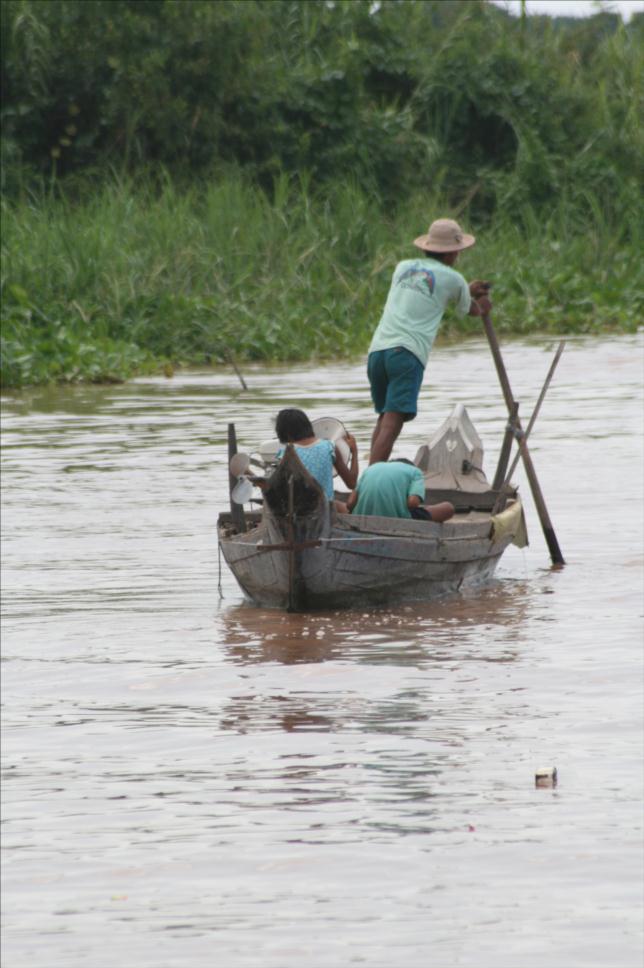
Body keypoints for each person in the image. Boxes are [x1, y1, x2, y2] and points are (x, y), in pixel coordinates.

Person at [367, 218, 492, 465]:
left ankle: (368, 482)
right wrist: (483, 306)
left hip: (378, 352)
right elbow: (472, 310)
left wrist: (466, 291)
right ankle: (371, 482)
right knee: (394, 421)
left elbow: (431, 290)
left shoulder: (403, 267)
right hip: (407, 353)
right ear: (454, 252)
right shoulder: (454, 279)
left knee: (384, 418)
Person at [274, 408, 358, 506]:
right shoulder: (329, 447)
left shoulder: (285, 454)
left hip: (299, 512)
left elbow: (281, 492)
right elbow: (352, 483)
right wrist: (354, 452)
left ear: (286, 434)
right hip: (325, 511)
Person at [346, 459, 454, 523]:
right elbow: (412, 503)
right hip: (398, 519)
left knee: (337, 505)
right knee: (448, 508)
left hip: (361, 517)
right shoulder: (415, 472)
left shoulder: (371, 468)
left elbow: (350, 504)